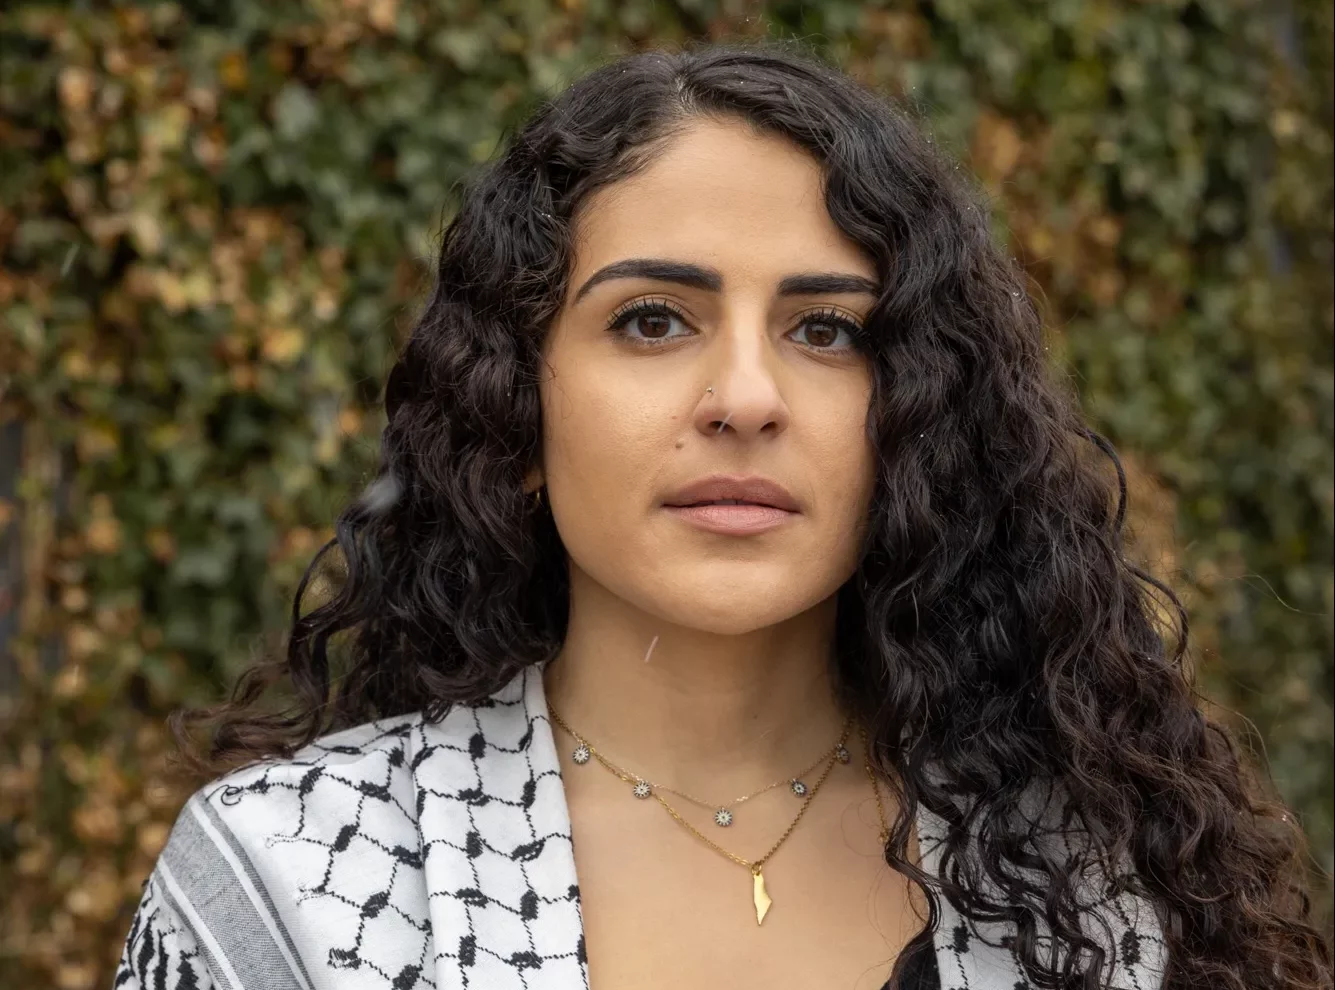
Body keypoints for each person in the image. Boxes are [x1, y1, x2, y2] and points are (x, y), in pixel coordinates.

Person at [113, 43, 1329, 990]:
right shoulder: (295, 881)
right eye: (652, 319)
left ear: (922, 421)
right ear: (514, 407)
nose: (746, 398)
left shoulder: (1090, 888)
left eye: (827, 330)